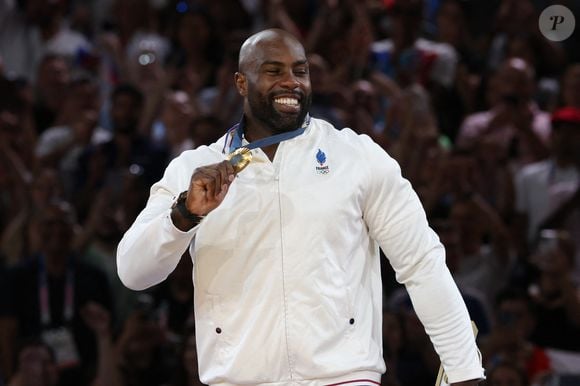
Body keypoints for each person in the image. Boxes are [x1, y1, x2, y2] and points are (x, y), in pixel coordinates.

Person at [117, 28, 484, 386]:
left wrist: (465, 370)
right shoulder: (193, 170)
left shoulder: (356, 157)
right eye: (273, 71)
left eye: (300, 71)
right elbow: (134, 272)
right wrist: (184, 215)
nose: (291, 81)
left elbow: (422, 263)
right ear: (241, 83)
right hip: (238, 378)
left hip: (342, 376)